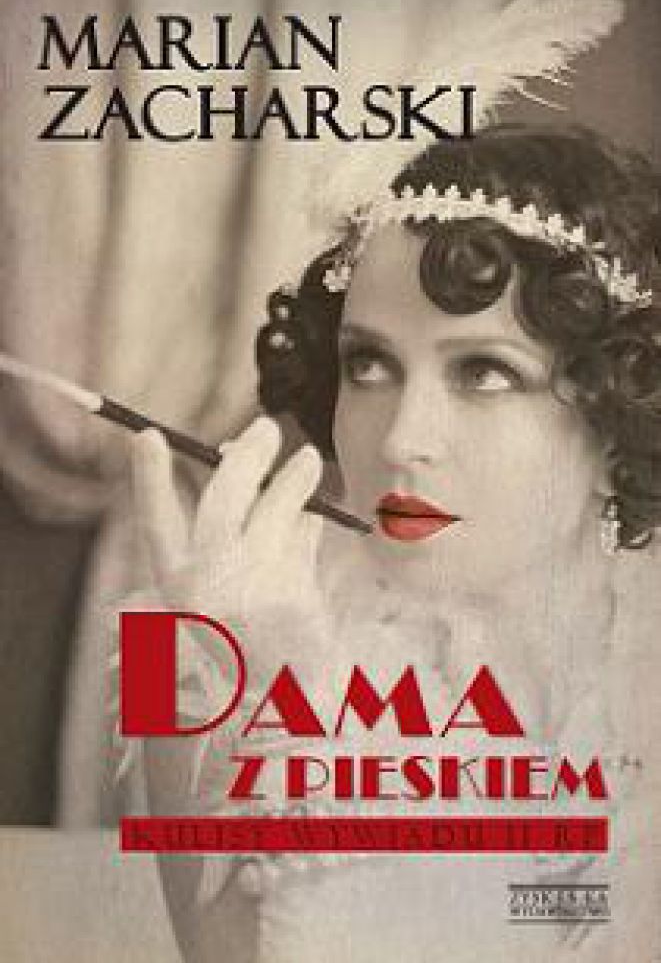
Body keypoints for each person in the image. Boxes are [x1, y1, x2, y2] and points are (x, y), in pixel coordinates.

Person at [129, 125, 661, 962]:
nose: (399, 438)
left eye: (483, 371)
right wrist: (268, 708)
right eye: (369, 364)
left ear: (616, 420)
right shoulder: (195, 651)